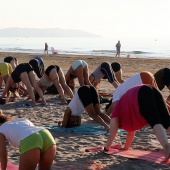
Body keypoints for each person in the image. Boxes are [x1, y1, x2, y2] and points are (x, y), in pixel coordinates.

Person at [104, 85, 170, 163]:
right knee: (167, 121)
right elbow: (131, 132)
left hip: (141, 94)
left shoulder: (115, 113)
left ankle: (167, 147)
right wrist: (126, 148)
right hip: (153, 89)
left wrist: (106, 149)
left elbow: (112, 135)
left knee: (155, 121)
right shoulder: (124, 108)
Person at [106, 71, 170, 116]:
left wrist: (107, 115)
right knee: (159, 97)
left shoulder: (116, 95)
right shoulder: (122, 94)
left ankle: (167, 112)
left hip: (144, 77)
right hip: (146, 75)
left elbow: (112, 107)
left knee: (157, 99)